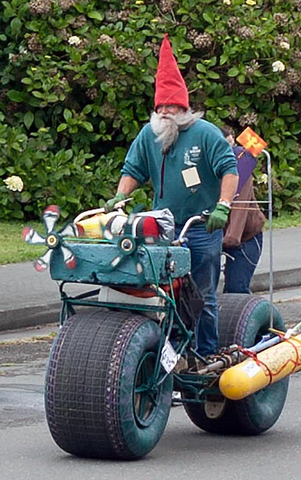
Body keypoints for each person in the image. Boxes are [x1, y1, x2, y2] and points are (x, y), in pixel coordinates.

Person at [104, 34, 238, 358]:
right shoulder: (149, 136)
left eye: (171, 106)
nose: (165, 111)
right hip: (163, 228)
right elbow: (133, 170)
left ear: (183, 107)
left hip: (202, 227)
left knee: (202, 294)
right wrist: (118, 198)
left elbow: (230, 169)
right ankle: (167, 352)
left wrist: (223, 206)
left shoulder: (205, 134)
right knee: (163, 292)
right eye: (161, 106)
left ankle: (204, 354)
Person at [221, 128, 265, 294]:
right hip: (215, 234)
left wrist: (231, 238)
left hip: (246, 236)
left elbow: (240, 208)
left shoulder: (241, 164)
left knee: (236, 290)